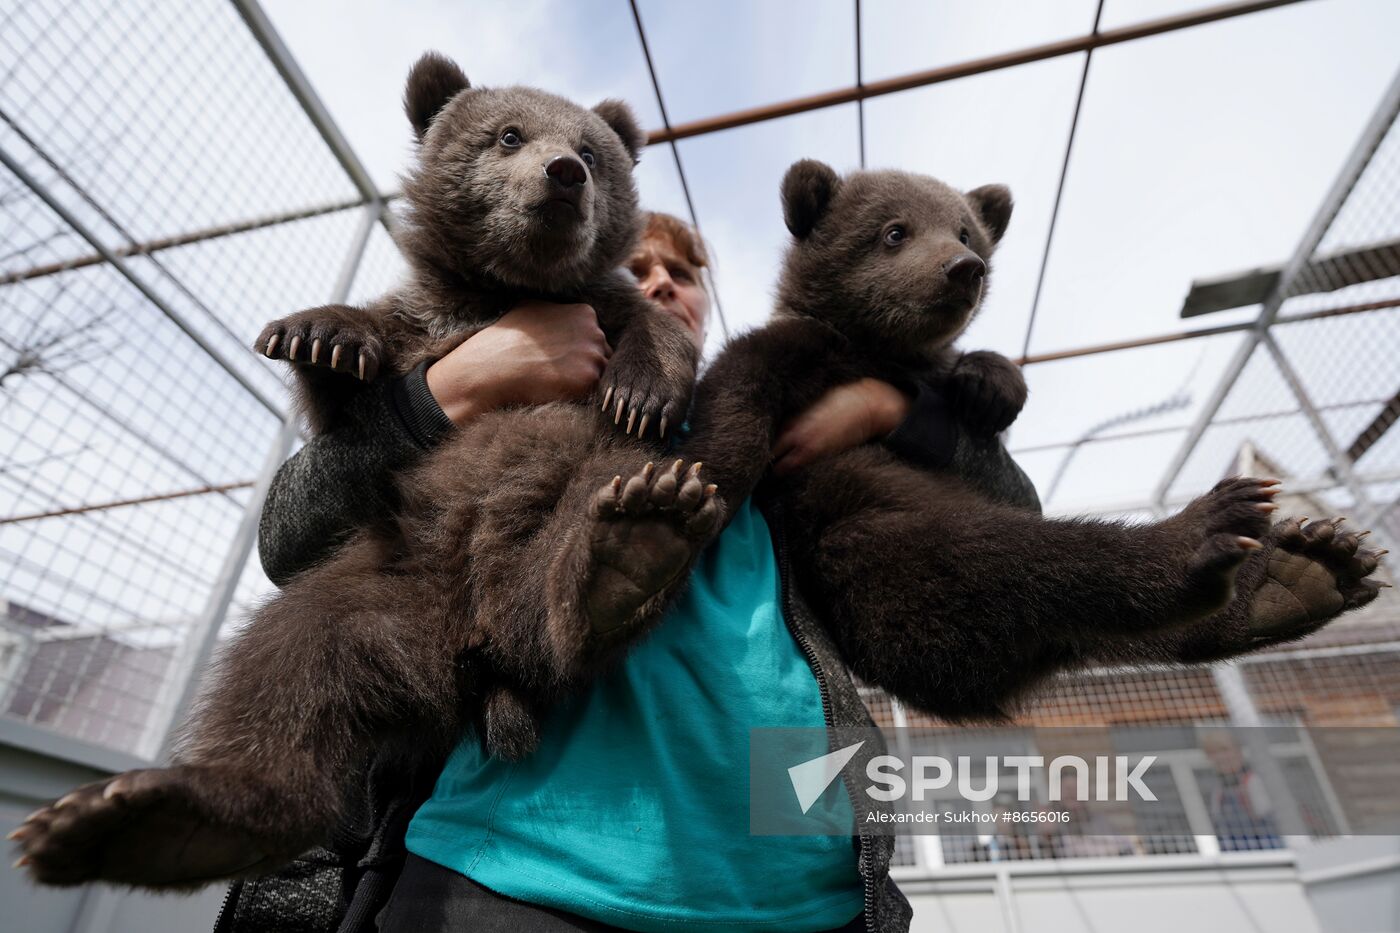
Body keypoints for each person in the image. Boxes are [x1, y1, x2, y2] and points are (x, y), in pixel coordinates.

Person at [226, 212, 1040, 933]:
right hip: (510, 873)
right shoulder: (515, 397)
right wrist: (450, 388)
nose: (656, 285)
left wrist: (903, 411)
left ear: (706, 306)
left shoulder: (780, 427)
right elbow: (289, 535)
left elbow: (1019, 522)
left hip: (804, 891)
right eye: (633, 270)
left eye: (679, 275)